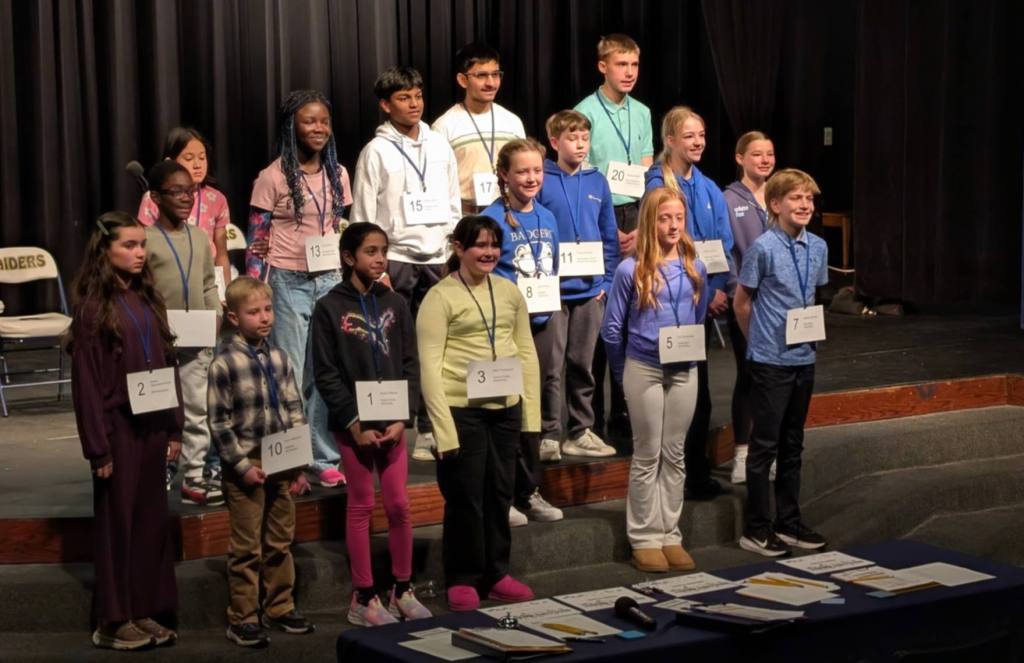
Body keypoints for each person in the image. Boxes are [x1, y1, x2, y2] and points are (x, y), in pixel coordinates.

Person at [310, 223, 432, 626]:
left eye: (383, 251)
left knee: (398, 504)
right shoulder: (329, 307)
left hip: (393, 423)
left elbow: (410, 363)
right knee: (361, 504)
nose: (380, 259)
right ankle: (363, 596)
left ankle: (403, 587)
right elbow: (325, 373)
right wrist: (353, 421)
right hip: (355, 425)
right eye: (371, 252)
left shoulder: (395, 303)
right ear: (349, 258)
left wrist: (403, 418)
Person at [70, 211, 181, 650]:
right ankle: (113, 620)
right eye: (129, 246)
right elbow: (88, 385)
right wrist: (98, 449)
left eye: (142, 246)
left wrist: (174, 427)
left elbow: (168, 363)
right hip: (118, 430)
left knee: (151, 523)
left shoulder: (147, 299)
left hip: (153, 426)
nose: (139, 253)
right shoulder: (93, 309)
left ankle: (145, 608)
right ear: (105, 251)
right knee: (118, 526)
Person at [417, 215, 540, 611]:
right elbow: (429, 367)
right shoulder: (440, 298)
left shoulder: (508, 292)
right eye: (479, 246)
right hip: (461, 411)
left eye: (493, 245)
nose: (488, 253)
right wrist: (443, 430)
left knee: (500, 493)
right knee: (465, 495)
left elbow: (527, 353)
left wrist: (530, 418)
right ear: (459, 248)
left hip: (504, 409)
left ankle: (496, 573)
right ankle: (462, 576)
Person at [351, 65, 461, 464]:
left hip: (436, 258)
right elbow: (364, 211)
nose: (413, 103)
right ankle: (394, 429)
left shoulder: (439, 145)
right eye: (403, 97)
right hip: (395, 260)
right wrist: (375, 264)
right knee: (394, 348)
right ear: (385, 105)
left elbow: (452, 201)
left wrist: (451, 250)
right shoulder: (376, 151)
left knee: (436, 348)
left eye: (417, 95)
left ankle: (432, 428)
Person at [246, 89, 353, 489]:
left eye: (324, 121)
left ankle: (322, 456)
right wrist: (256, 289)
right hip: (288, 280)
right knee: (288, 372)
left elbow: (339, 225)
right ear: (292, 125)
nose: (319, 128)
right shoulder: (271, 177)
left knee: (324, 372)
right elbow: (257, 239)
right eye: (310, 121)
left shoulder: (339, 173)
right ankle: (289, 459)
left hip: (328, 279)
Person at [601, 188, 708, 573]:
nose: (673, 225)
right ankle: (644, 537)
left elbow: (698, 317)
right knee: (647, 453)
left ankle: (670, 533)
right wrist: (621, 372)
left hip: (684, 369)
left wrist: (687, 350)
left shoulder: (695, 265)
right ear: (650, 221)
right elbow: (613, 329)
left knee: (674, 452)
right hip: (643, 367)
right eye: (665, 218)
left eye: (678, 217)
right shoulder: (631, 269)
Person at [208, 276, 317, 646]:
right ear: (234, 318)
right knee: (246, 546)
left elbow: (293, 408)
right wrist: (241, 466)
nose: (265, 317)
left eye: (268, 309)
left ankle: (280, 606)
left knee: (279, 539)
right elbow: (219, 423)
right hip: (247, 463)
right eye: (254, 312)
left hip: (281, 457)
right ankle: (242, 616)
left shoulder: (279, 356)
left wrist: (299, 462)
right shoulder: (224, 363)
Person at [733, 169, 829, 557]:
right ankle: (757, 528)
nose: (805, 205)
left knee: (793, 444)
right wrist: (756, 342)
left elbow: (811, 294)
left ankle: (788, 523)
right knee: (764, 447)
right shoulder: (763, 248)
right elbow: (743, 302)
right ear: (775, 205)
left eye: (809, 199)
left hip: (804, 357)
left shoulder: (818, 247)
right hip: (770, 360)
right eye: (796, 199)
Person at [645, 106, 734, 500]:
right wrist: (699, 287)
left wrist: (716, 288)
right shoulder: (657, 184)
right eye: (689, 135)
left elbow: (722, 244)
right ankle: (666, 475)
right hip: (670, 303)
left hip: (704, 299)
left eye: (702, 134)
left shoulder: (710, 187)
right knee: (669, 394)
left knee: (699, 395)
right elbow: (663, 242)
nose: (698, 141)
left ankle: (695, 473)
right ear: (670, 140)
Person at [574, 34, 654, 450]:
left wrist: (641, 225)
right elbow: (583, 172)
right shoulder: (584, 112)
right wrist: (609, 229)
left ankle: (627, 409)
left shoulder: (641, 112)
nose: (628, 73)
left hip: (636, 215)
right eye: (621, 64)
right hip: (600, 215)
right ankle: (594, 416)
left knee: (635, 313)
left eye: (634, 66)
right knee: (602, 316)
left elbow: (644, 165)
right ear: (602, 66)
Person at [480, 138, 565, 527]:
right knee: (505, 409)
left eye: (537, 171)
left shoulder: (547, 218)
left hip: (543, 322)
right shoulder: (492, 218)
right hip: (505, 327)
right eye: (522, 171)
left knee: (534, 407)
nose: (531, 178)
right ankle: (501, 494)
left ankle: (529, 490)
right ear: (504, 175)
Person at [537, 110, 620, 463]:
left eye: (585, 138)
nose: (580, 144)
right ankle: (547, 432)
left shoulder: (598, 182)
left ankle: (580, 430)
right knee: (551, 366)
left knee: (582, 364)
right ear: (555, 142)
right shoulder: (541, 177)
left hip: (590, 291)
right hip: (552, 292)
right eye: (572, 138)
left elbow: (609, 235)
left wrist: (606, 281)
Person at [144, 160, 223, 506]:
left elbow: (207, 282)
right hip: (157, 341)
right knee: (157, 408)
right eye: (175, 191)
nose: (185, 198)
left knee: (196, 408)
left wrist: (215, 316)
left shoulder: (199, 236)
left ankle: (194, 475)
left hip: (196, 339)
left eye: (189, 191)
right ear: (155, 197)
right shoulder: (145, 240)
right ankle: (155, 469)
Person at [723, 131, 776, 484]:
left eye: (770, 154)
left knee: (773, 379)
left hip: (778, 304)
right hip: (745, 300)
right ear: (740, 158)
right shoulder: (728, 198)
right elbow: (725, 249)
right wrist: (731, 289)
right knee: (748, 373)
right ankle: (741, 453)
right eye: (757, 154)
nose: (765, 160)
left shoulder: (780, 196)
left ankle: (764, 451)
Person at [432, 42, 526, 215]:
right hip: (466, 217)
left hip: (509, 214)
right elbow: (438, 182)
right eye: (481, 75)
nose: (491, 83)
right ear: (462, 80)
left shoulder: (512, 122)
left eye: (495, 74)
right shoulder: (444, 126)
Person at [137, 127, 232, 288]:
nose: (197, 165)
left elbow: (221, 254)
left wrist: (226, 293)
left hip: (206, 279)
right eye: (189, 158)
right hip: (166, 277)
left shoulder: (217, 199)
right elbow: (144, 247)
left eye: (202, 158)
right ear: (170, 162)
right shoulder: (152, 199)